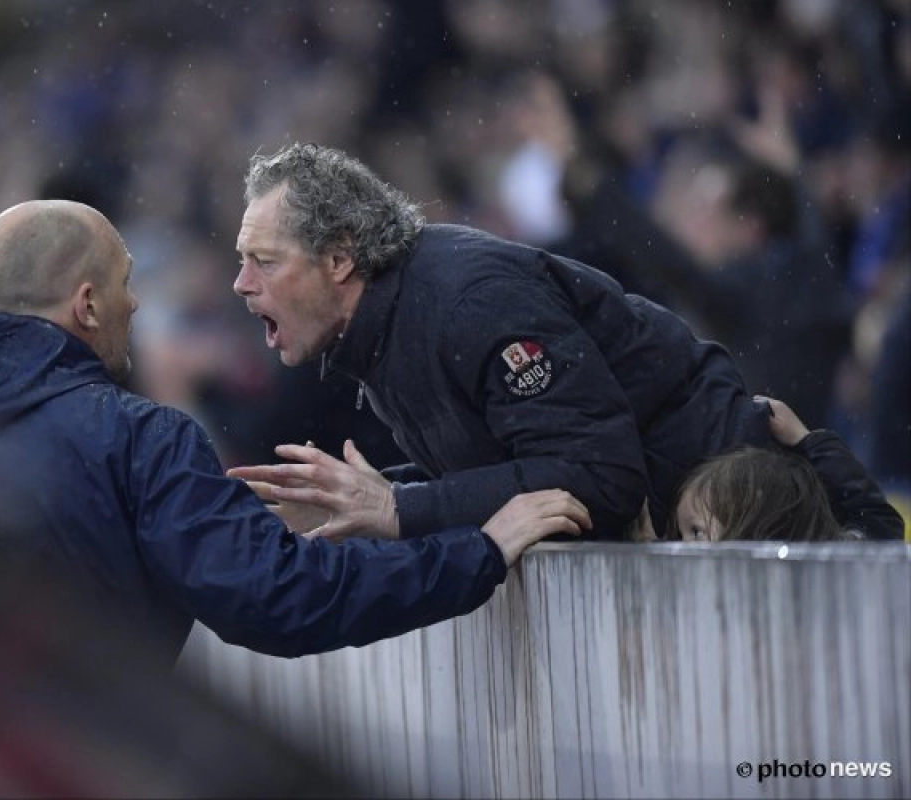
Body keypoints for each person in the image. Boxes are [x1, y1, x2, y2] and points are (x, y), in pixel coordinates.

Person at [0, 199, 592, 664]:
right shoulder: (138, 439)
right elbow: (278, 597)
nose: (137, 307)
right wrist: (479, 551)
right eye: (129, 284)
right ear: (87, 305)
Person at [227, 143, 774, 542]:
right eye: (242, 261)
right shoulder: (384, 324)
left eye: (266, 262)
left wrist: (399, 507)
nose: (242, 283)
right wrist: (346, 505)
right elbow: (503, 466)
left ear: (340, 259)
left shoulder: (468, 303)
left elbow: (600, 476)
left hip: (748, 507)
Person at [671, 397, 905, 542]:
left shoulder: (833, 580)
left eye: (696, 532)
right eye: (681, 536)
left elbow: (879, 531)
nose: (679, 550)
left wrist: (807, 441)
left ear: (757, 530)